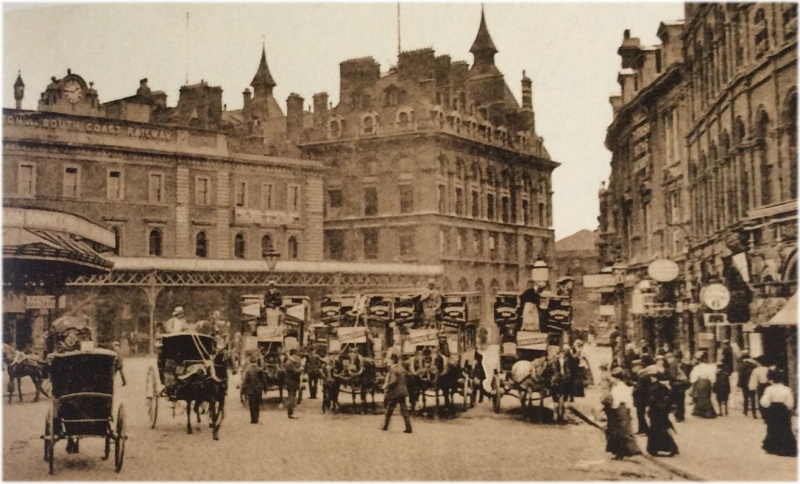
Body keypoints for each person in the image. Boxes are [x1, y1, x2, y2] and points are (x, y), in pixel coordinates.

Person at [601, 367, 641, 460]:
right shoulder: (617, 386)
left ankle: (630, 450)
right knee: (617, 432)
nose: (612, 379)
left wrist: (612, 407)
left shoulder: (621, 387)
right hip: (620, 410)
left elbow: (618, 401)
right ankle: (620, 452)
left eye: (613, 377)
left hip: (621, 410)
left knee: (623, 431)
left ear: (617, 378)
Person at [760, 369, 797, 457]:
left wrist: (768, 406)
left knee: (773, 427)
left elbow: (764, 402)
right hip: (783, 410)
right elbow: (790, 403)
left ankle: (773, 447)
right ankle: (785, 448)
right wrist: (787, 407)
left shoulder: (769, 389)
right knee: (785, 428)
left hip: (773, 410)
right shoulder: (787, 389)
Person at [647, 371, 679, 457]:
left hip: (656, 411)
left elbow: (652, 400)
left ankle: (656, 449)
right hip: (662, 411)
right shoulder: (664, 387)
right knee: (662, 429)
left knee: (656, 430)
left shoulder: (654, 388)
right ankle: (672, 448)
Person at [381, 353, 412, 433]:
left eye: (390, 360)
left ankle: (385, 426)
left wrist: (386, 386)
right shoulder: (401, 368)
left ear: (392, 360)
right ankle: (408, 427)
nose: (389, 361)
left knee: (389, 410)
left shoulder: (393, 370)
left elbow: (393, 381)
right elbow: (408, 375)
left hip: (395, 393)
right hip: (402, 392)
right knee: (404, 410)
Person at [689, 352, 717, 419]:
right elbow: (712, 376)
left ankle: (700, 412)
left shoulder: (697, 367)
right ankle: (706, 412)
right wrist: (713, 382)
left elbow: (693, 377)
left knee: (699, 397)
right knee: (706, 396)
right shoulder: (710, 367)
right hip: (707, 383)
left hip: (700, 382)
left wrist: (692, 382)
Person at [241, 355, 267, 423]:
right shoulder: (259, 369)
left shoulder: (247, 370)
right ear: (256, 361)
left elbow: (245, 381)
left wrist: (243, 390)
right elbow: (263, 379)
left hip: (250, 390)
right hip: (258, 389)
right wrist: (265, 388)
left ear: (250, 361)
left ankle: (253, 419)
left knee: (251, 404)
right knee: (257, 404)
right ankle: (257, 417)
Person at [664, 352, 688, 422]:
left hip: (677, 384)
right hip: (682, 383)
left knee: (673, 400)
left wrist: (668, 381)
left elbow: (673, 376)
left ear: (671, 358)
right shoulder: (677, 363)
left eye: (668, 359)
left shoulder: (672, 365)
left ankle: (677, 416)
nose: (667, 360)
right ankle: (681, 415)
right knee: (681, 400)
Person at [633, 364, 654, 434]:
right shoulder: (645, 376)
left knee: (640, 415)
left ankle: (644, 430)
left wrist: (634, 387)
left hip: (640, 399)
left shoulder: (641, 377)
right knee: (641, 414)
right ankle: (642, 429)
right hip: (644, 398)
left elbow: (640, 389)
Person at [738, 352, 758, 418]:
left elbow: (740, 375)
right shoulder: (753, 364)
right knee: (753, 397)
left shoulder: (742, 365)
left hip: (745, 383)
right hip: (752, 382)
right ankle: (754, 413)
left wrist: (739, 383)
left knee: (745, 397)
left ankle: (745, 411)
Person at [284, 348, 302, 419]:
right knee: (292, 397)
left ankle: (290, 412)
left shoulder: (289, 362)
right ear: (293, 354)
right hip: (292, 382)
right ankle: (290, 413)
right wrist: (300, 371)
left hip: (290, 381)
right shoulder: (290, 363)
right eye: (296, 355)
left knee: (292, 396)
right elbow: (294, 372)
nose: (297, 357)